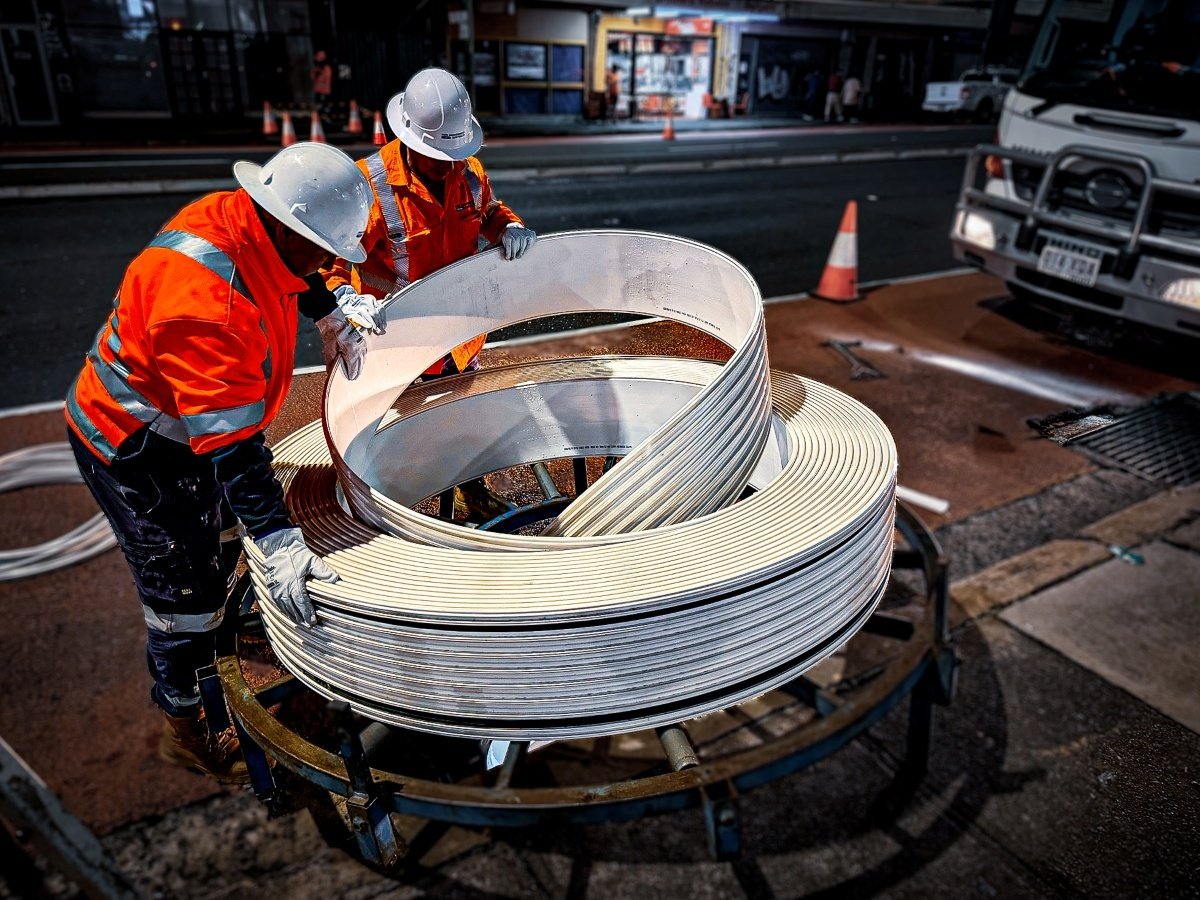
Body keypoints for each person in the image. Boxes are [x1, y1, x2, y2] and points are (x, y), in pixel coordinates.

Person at [65, 142, 378, 782]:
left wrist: (328, 310)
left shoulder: (241, 220)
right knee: (184, 591)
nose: (329, 263)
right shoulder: (209, 304)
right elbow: (233, 447)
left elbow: (291, 273)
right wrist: (280, 543)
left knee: (222, 535)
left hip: (182, 424)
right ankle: (186, 726)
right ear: (287, 227)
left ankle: (213, 639)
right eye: (323, 250)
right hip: (135, 445)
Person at [321, 67, 537, 521]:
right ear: (409, 140)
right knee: (404, 433)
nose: (448, 163)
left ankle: (470, 493)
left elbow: (488, 212)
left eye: (455, 152)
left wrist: (508, 226)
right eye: (437, 154)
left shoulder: (469, 171)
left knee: (463, 417)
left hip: (458, 334)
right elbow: (332, 255)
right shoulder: (370, 184)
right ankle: (390, 508)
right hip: (397, 337)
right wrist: (343, 296)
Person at [311, 49, 333, 119]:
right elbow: (313, 77)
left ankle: (325, 115)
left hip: (324, 90)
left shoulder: (326, 67)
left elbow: (327, 78)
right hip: (319, 89)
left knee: (324, 104)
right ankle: (320, 115)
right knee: (319, 104)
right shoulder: (316, 68)